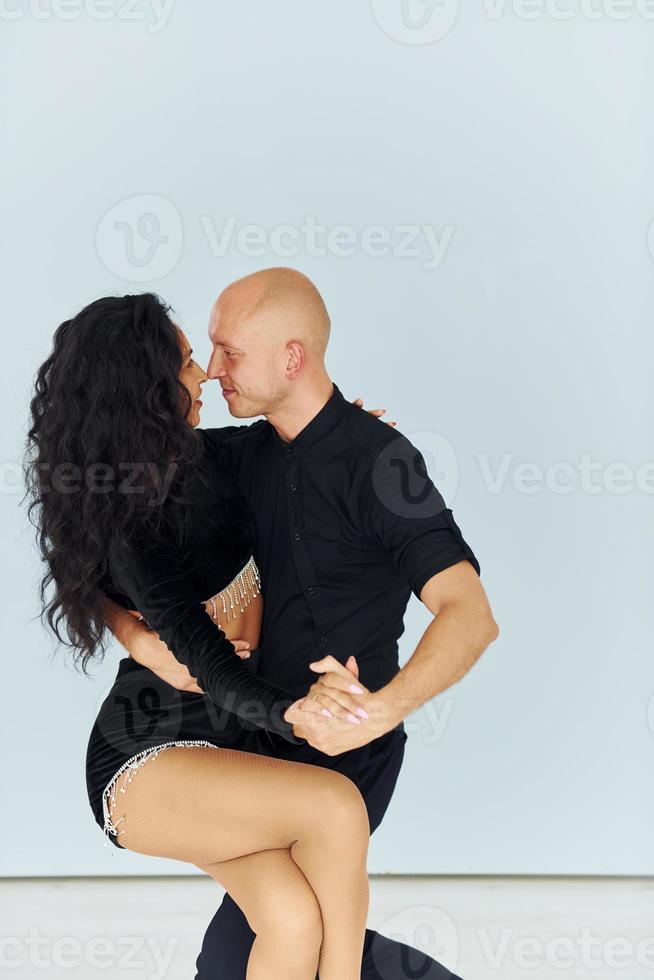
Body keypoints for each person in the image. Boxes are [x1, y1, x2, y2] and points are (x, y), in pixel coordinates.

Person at [109, 267, 500, 980]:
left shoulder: (382, 461)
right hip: (254, 743)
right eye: (210, 351)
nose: (213, 370)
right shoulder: (233, 458)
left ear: (292, 357)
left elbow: (469, 613)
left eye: (231, 352)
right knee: (265, 943)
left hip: (350, 753)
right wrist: (130, 631)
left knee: (261, 951)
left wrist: (380, 712)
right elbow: (102, 531)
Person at [24, 292, 382, 980]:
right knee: (335, 807)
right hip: (144, 762)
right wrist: (291, 714)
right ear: (152, 390)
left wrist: (350, 434)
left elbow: (292, 437)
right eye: (189, 361)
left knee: (290, 919)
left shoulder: (210, 459)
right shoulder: (133, 521)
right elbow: (209, 663)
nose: (208, 373)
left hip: (217, 746)